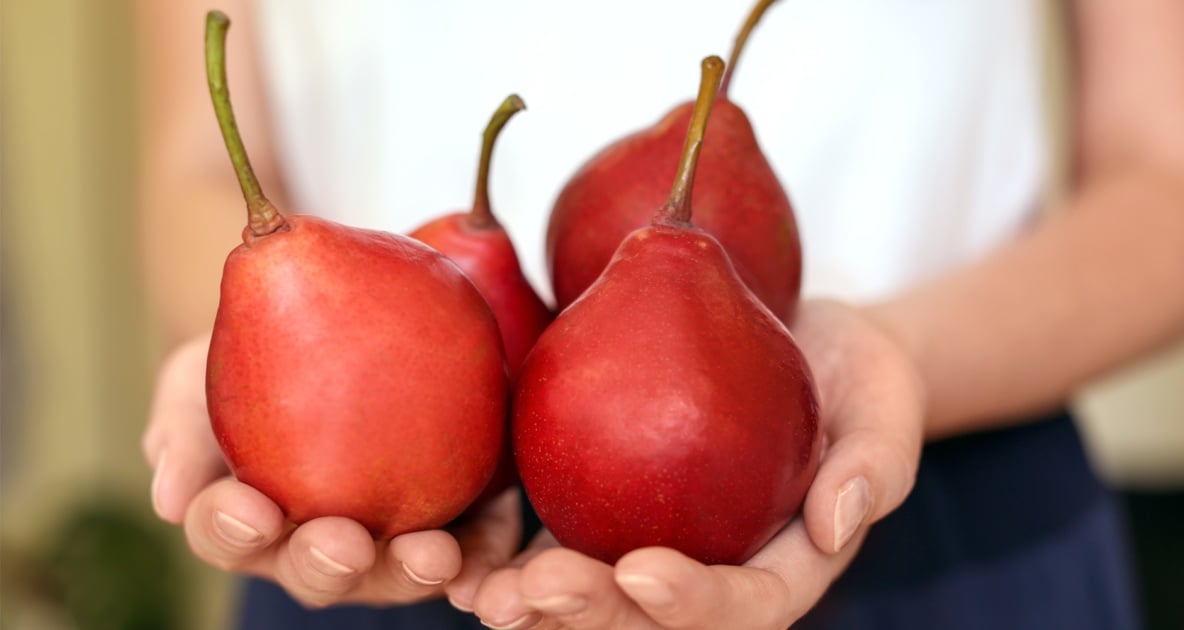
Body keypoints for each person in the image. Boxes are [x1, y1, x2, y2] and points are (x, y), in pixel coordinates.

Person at [137, 0, 1184, 628]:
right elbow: (192, 165)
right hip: (370, 550)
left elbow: (1164, 178)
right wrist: (246, 372)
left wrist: (900, 353)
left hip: (943, 524)